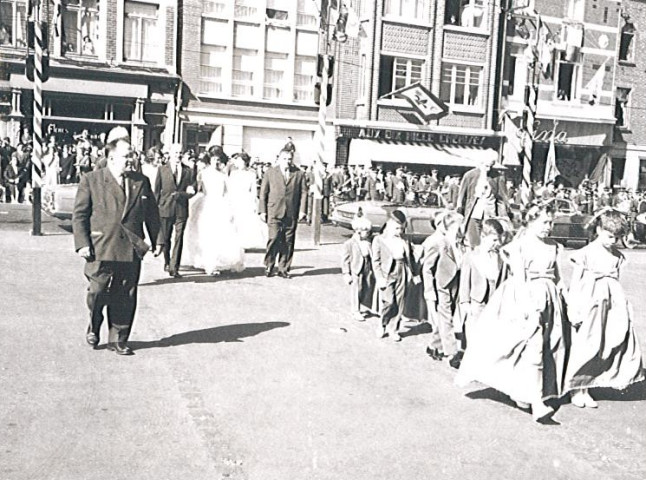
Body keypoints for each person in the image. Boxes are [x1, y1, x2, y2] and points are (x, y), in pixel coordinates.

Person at [456, 203, 568, 422]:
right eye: (544, 222)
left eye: (551, 222)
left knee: (549, 347)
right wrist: (528, 308)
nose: (549, 227)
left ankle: (524, 393)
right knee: (530, 349)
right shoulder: (519, 246)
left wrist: (568, 300)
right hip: (523, 300)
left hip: (550, 299)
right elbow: (519, 280)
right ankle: (537, 404)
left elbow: (559, 277)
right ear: (531, 220)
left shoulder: (553, 246)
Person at [72, 127, 160, 355]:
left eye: (131, 154)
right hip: (100, 246)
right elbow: (80, 214)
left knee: (125, 294)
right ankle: (94, 324)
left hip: (130, 247)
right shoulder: (91, 180)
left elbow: (151, 213)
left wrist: (158, 240)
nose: (131, 159)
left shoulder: (141, 181)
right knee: (97, 291)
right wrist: (82, 243)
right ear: (111, 158)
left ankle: (118, 338)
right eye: (126, 155)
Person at [564, 209, 645, 408]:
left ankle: (591, 384)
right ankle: (577, 388)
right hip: (590, 302)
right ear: (599, 229)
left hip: (611, 305)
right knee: (587, 344)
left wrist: (623, 306)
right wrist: (575, 306)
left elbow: (616, 282)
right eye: (609, 236)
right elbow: (577, 282)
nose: (612, 241)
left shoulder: (617, 256)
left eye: (616, 238)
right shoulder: (586, 253)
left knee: (607, 343)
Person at [183, 148, 245, 275]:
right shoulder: (203, 173)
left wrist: (230, 207)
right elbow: (198, 188)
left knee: (220, 234)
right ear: (209, 159)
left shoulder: (223, 175)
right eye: (213, 159)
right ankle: (209, 264)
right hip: (206, 204)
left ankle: (218, 262)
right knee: (206, 235)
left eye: (218, 159)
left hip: (220, 205)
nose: (216, 162)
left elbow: (227, 192)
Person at [421, 211, 464, 366]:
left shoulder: (459, 243)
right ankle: (452, 354)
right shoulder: (440, 243)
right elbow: (427, 268)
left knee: (447, 316)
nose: (461, 229)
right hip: (442, 285)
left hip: (455, 283)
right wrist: (429, 290)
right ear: (450, 226)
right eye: (459, 226)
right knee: (446, 318)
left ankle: (434, 345)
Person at [458, 218, 508, 349]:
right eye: (494, 240)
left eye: (499, 239)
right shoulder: (471, 256)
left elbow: (504, 280)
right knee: (474, 336)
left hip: (495, 302)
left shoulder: (501, 257)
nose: (498, 243)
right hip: (477, 303)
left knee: (491, 336)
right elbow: (464, 282)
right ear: (483, 237)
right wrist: (465, 303)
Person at [372, 210, 420, 342]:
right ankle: (383, 323)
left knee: (400, 302)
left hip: (402, 270)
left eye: (401, 228)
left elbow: (411, 258)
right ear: (389, 224)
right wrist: (380, 278)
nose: (399, 231)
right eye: (396, 227)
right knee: (389, 301)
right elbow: (375, 262)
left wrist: (415, 274)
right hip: (387, 273)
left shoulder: (404, 240)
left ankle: (394, 329)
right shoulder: (379, 239)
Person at [259, 149, 307, 278]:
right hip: (274, 211)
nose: (287, 162)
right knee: (273, 238)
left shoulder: (299, 174)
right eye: (284, 159)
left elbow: (303, 193)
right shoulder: (270, 173)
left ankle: (283, 268)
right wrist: (262, 211)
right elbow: (263, 193)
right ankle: (269, 264)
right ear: (279, 159)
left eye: (289, 159)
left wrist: (302, 210)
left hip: (291, 212)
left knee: (288, 241)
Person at [154, 143, 196, 278]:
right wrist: (154, 209)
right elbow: (157, 191)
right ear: (170, 154)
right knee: (166, 238)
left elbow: (192, 189)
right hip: (165, 208)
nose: (178, 155)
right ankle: (167, 261)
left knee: (179, 238)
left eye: (180, 153)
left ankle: (174, 267)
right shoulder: (162, 169)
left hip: (181, 209)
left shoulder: (188, 171)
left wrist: (184, 194)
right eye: (175, 152)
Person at [457, 158, 509, 248]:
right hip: (473, 213)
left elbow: (502, 198)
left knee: (489, 241)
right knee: (473, 242)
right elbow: (462, 196)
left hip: (490, 214)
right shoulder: (470, 175)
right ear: (480, 163)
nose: (488, 169)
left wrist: (503, 215)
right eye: (486, 166)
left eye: (491, 166)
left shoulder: (498, 177)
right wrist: (460, 210)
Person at [228, 152, 267, 250]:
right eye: (238, 161)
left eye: (241, 161)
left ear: (245, 162)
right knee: (234, 221)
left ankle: (243, 242)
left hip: (246, 200)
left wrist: (253, 203)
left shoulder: (251, 174)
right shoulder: (233, 174)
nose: (238, 163)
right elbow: (230, 188)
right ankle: (235, 241)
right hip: (235, 199)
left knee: (244, 222)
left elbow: (253, 190)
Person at [341, 212, 375, 322]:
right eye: (366, 231)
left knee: (366, 286)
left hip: (367, 266)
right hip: (356, 268)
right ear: (358, 231)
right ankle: (355, 310)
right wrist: (346, 273)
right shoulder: (350, 243)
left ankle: (363, 305)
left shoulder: (369, 241)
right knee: (356, 289)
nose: (368, 233)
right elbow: (345, 260)